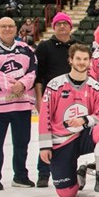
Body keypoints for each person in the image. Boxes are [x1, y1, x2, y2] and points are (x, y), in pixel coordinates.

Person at [38, 44, 99, 197]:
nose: (82, 62)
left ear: (90, 62)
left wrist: (85, 119)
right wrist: (45, 146)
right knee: (66, 193)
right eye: (78, 59)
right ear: (70, 60)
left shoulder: (96, 87)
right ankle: (79, 176)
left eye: (85, 59)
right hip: (62, 140)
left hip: (84, 136)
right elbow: (44, 115)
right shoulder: (55, 85)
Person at [0, 17, 38, 190]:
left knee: (22, 143)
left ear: (16, 28)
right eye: (3, 26)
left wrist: (23, 85)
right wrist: (15, 86)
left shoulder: (26, 49)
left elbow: (34, 70)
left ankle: (20, 176)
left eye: (10, 26)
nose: (7, 29)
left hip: (21, 105)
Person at [33, 12, 78, 187]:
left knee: (71, 136)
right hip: (51, 98)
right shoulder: (44, 47)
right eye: (58, 24)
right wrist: (39, 98)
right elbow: (38, 76)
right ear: (54, 27)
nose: (61, 26)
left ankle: (69, 171)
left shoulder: (78, 46)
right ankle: (43, 173)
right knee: (48, 134)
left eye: (64, 23)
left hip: (74, 100)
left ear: (70, 26)